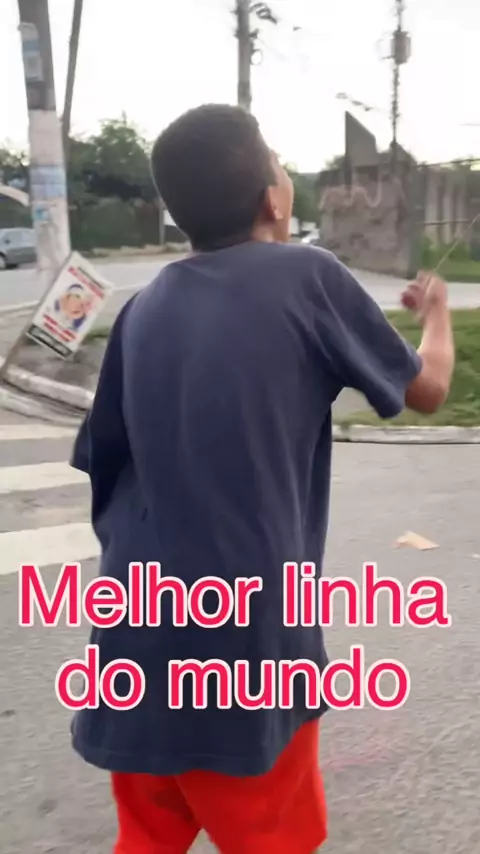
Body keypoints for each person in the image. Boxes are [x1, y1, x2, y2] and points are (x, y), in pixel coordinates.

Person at [70, 104, 454, 853]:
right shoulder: (308, 274)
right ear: (274, 199)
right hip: (243, 644)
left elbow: (105, 464)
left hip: (132, 632)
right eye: (278, 161)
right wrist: (436, 315)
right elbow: (429, 390)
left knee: (147, 839)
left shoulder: (142, 311)